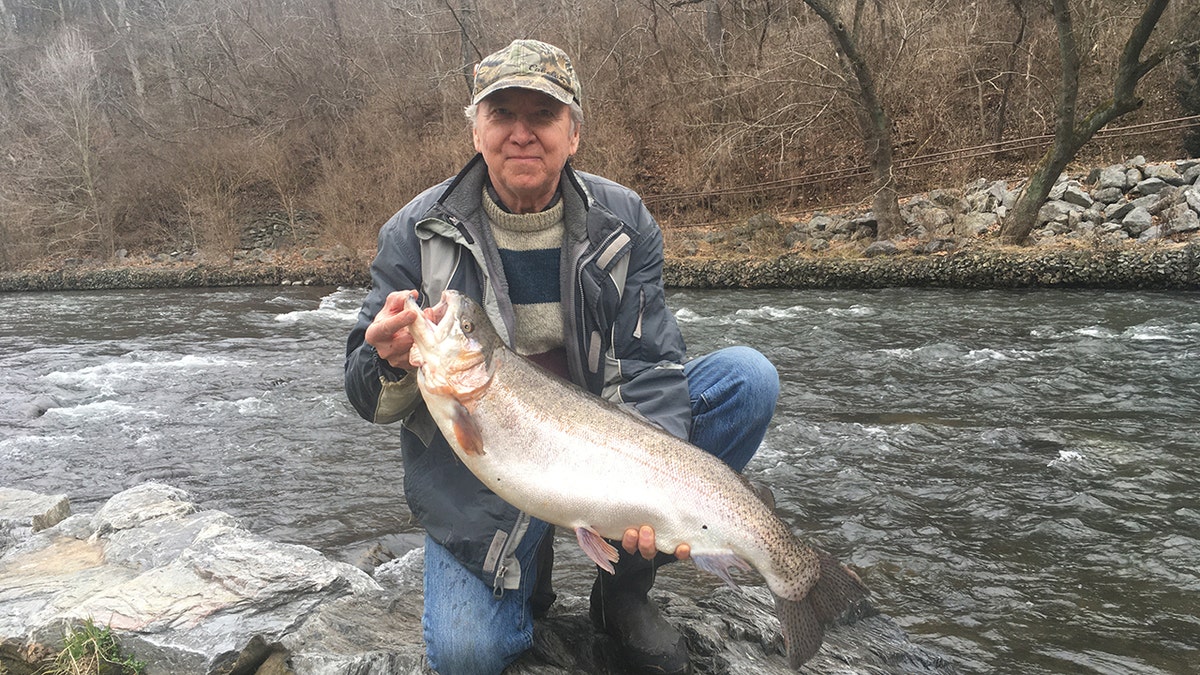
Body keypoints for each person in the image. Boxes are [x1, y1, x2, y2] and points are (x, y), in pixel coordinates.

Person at [344, 39, 779, 675]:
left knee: (747, 379)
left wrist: (644, 493)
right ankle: (529, 567)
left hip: (600, 444)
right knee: (468, 657)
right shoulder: (415, 230)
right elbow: (365, 400)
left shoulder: (624, 219)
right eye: (502, 115)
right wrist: (384, 361)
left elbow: (653, 365)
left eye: (542, 116)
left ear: (573, 133)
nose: (522, 134)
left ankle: (624, 589)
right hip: (481, 475)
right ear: (477, 129)